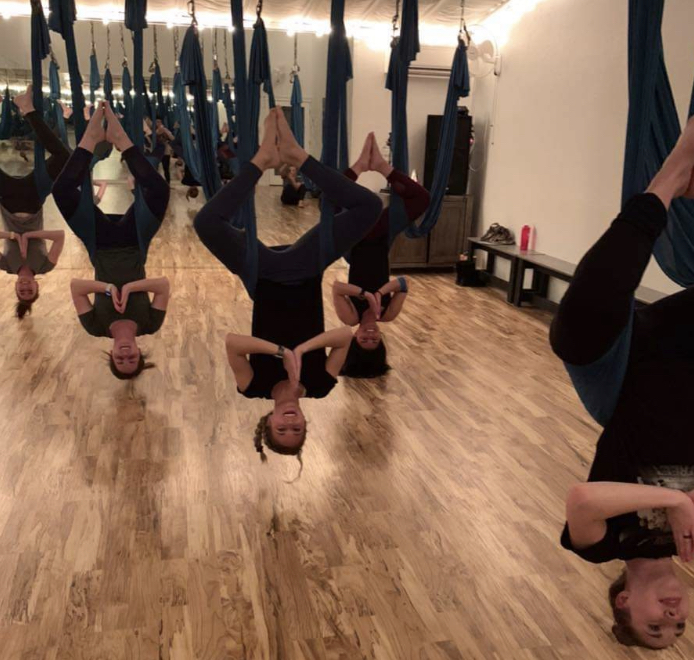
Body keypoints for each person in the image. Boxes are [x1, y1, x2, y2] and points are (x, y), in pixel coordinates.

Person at [550, 103, 694, 650]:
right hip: (689, 359)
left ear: (624, 601)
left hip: (616, 373)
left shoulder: (601, 545)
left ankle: (669, 178)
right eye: (679, 626)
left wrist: (675, 501)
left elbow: (583, 499)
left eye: (655, 625)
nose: (672, 615)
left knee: (576, 326)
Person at [194, 108, 383, 465]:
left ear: (269, 421)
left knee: (207, 223)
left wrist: (283, 353)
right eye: (297, 430)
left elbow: (233, 344)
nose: (290, 424)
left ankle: (261, 161)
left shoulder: (253, 387)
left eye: (282, 430)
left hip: (261, 275)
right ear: (305, 424)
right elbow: (345, 336)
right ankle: (298, 158)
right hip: (306, 269)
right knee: (369, 206)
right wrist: (304, 350)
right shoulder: (321, 385)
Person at [52, 101, 171, 380]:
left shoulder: (96, 327)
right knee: (159, 191)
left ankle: (90, 141)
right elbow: (163, 286)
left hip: (100, 244)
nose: (125, 354)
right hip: (134, 241)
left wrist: (108, 288)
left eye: (120, 360)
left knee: (62, 191)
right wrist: (129, 288)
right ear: (140, 353)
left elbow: (77, 288)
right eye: (132, 359)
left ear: (112, 355)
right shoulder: (150, 324)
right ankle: (123, 142)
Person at [333, 133, 430, 378]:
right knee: (422, 199)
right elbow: (403, 284)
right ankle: (381, 167)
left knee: (327, 203)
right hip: (380, 240)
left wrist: (365, 294)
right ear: (381, 340)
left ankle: (359, 166)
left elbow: (337, 288)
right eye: (374, 341)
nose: (370, 335)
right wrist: (380, 294)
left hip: (353, 242)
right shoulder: (387, 314)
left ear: (355, 337)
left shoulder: (350, 317)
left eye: (363, 340)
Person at [0, 81, 67, 319]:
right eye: (30, 291)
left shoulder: (5, 265)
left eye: (21, 291)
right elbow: (59, 236)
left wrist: (13, 236)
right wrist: (30, 235)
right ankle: (27, 108)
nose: (25, 287)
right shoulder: (46, 266)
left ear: (15, 287)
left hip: (5, 197)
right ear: (36, 286)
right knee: (63, 157)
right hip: (34, 197)